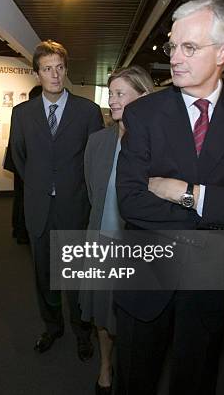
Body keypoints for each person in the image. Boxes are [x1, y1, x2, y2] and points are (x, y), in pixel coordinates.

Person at [115, 0, 224, 395]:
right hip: (146, 278)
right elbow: (131, 201)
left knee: (196, 381)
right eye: (172, 46)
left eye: (189, 48)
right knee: (134, 380)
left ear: (223, 53)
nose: (175, 58)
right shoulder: (143, 113)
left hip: (212, 281)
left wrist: (186, 193)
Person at [10, 40, 103, 361]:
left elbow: (95, 161)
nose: (54, 74)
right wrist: (41, 185)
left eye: (59, 68)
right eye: (47, 68)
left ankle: (81, 331)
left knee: (77, 277)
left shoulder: (88, 111)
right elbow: (19, 158)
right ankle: (53, 327)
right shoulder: (21, 113)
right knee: (44, 276)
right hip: (38, 209)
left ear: (66, 70)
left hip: (75, 208)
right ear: (37, 73)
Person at [79, 66, 154, 395]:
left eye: (120, 93)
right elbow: (94, 195)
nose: (112, 100)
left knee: (135, 320)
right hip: (102, 243)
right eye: (110, 93)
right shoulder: (97, 142)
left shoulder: (158, 146)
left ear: (143, 97)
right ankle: (105, 367)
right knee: (101, 311)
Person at [3, 85, 42, 245]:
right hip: (27, 165)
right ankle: (22, 232)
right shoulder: (31, 116)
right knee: (25, 199)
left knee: (20, 197)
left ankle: (18, 229)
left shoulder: (23, 113)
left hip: (20, 163)